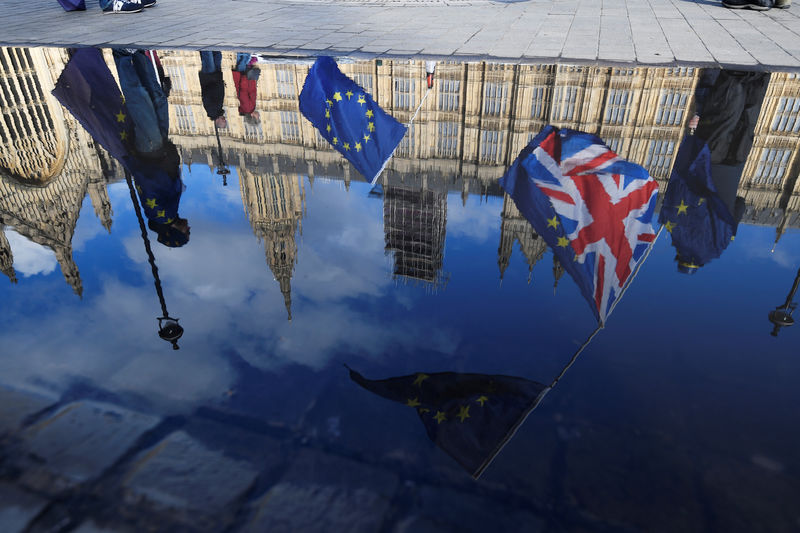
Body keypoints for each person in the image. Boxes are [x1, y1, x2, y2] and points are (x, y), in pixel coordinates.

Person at [113, 48, 189, 247]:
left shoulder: (162, 215)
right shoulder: (168, 213)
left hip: (152, 151)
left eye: (186, 233)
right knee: (157, 98)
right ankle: (138, 55)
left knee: (140, 101)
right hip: (160, 148)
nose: (189, 228)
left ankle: (122, 55)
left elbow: (150, 184)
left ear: (174, 232)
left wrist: (163, 164)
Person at [198, 51, 227, 129]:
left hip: (210, 77)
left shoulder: (211, 111)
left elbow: (206, 95)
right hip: (216, 77)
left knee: (208, 55)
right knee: (217, 55)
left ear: (217, 122)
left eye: (223, 122)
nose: (225, 120)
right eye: (225, 121)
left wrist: (216, 86)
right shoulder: (219, 110)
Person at [232, 53, 261, 123]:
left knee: (244, 59)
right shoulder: (250, 108)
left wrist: (244, 78)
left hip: (244, 79)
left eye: (258, 118)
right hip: (246, 80)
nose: (259, 116)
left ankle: (243, 50)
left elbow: (243, 93)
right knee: (241, 61)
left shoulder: (248, 108)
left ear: (252, 116)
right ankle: (240, 50)